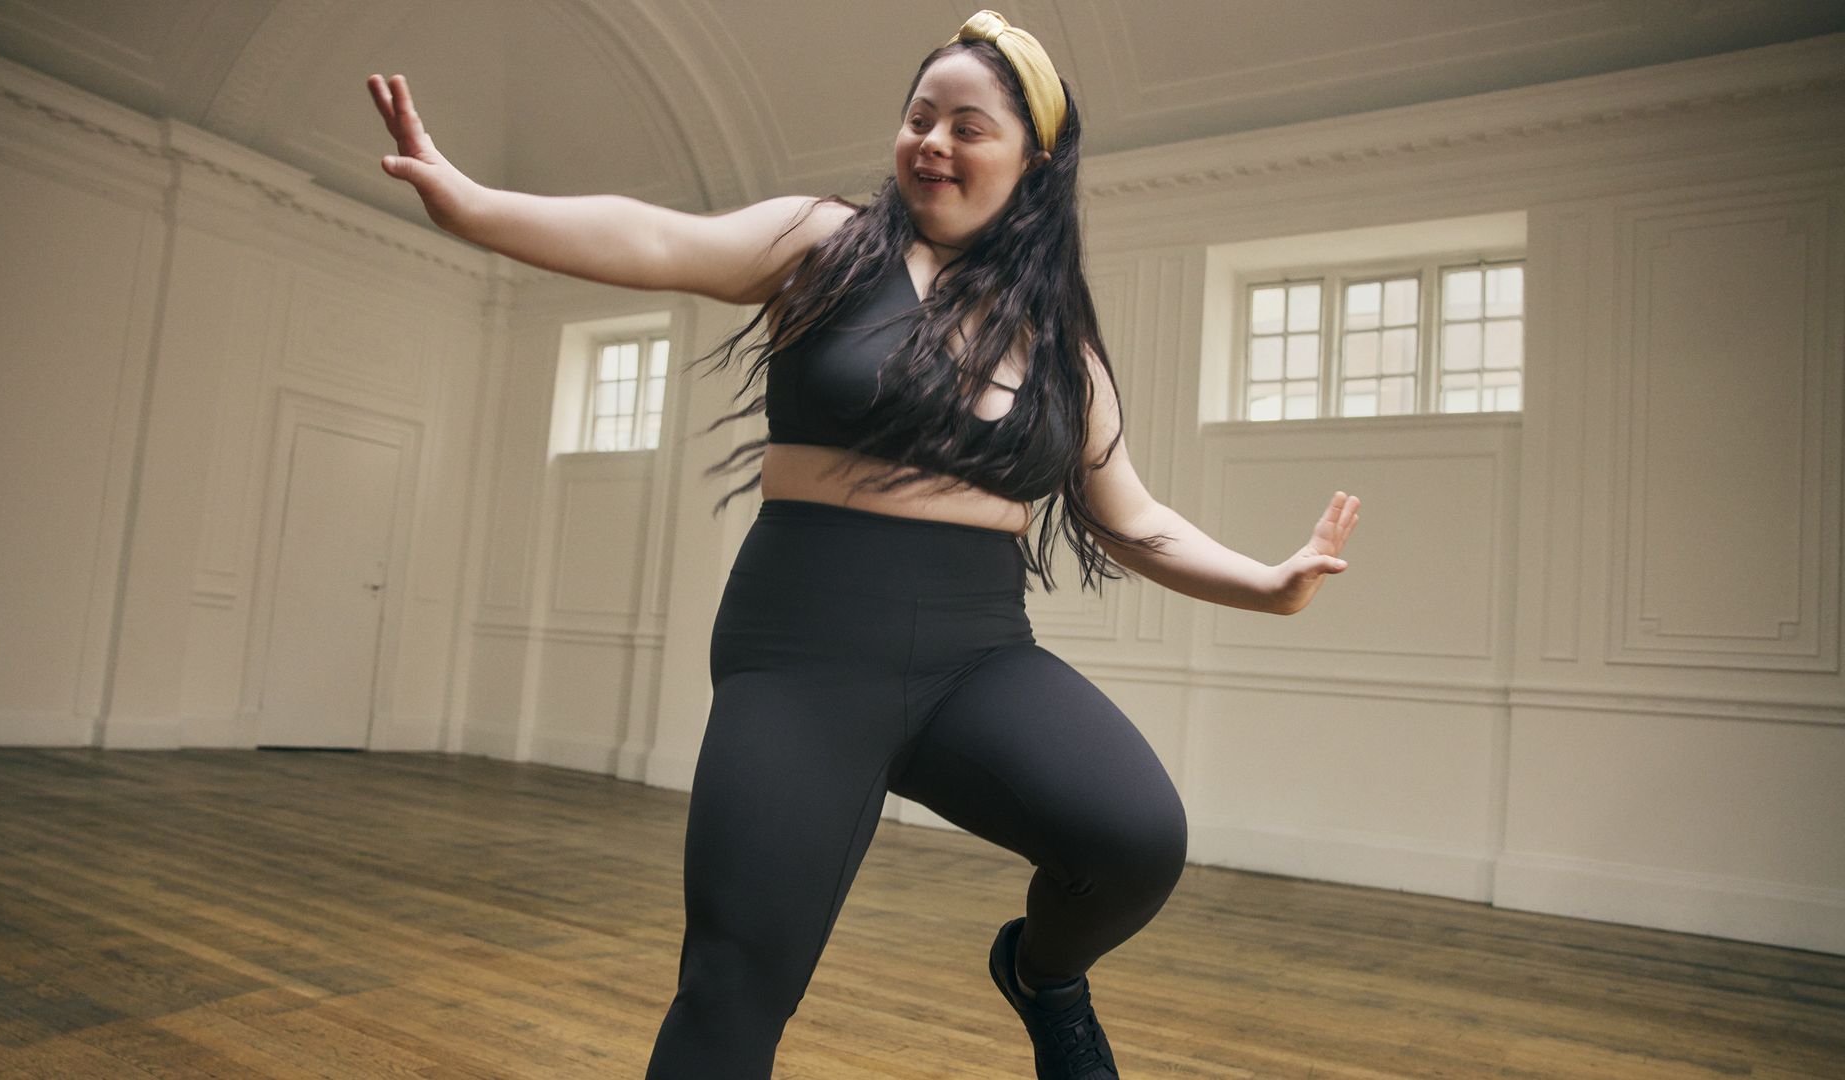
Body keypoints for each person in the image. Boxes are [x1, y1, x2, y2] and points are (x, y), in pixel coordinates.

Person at [370, 10, 1360, 1078]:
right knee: (735, 981)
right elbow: (658, 238)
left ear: (1032, 165)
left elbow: (1134, 517)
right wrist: (472, 204)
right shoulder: (825, 246)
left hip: (978, 660)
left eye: (966, 127)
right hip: (802, 654)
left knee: (1134, 841)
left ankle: (1042, 975)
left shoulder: (1062, 344)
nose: (931, 142)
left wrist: (1268, 583)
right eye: (918, 118)